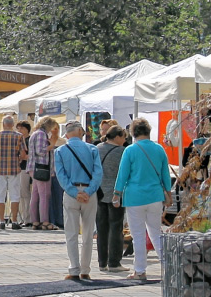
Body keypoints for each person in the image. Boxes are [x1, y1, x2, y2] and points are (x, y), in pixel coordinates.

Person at [117, 118, 172, 282]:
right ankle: (169, 267)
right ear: (149, 132)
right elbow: (165, 175)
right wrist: (168, 194)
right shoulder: (159, 149)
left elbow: (123, 174)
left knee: (138, 235)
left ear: (133, 133)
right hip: (155, 196)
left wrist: (116, 193)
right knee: (156, 233)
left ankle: (140, 270)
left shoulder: (130, 150)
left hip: (134, 197)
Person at [55, 121, 102, 281]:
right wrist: (88, 191)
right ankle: (85, 269)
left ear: (67, 134)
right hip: (90, 192)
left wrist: (74, 192)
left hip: (71, 193)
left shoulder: (60, 151)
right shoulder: (93, 149)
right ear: (81, 131)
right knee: (88, 233)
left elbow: (61, 176)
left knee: (71, 233)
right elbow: (98, 173)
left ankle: (74, 268)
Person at [94, 124, 130, 272]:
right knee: (116, 227)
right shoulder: (122, 152)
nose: (125, 140)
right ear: (117, 137)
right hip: (116, 193)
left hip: (99, 192)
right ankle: (114, 262)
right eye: (124, 137)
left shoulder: (97, 149)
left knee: (101, 228)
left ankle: (102, 262)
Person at [0, 115, 25, 230]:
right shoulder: (19, 136)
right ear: (13, 124)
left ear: (3, 124)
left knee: (0, 195)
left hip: (0, 169)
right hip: (14, 169)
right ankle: (14, 221)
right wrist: (18, 159)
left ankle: (1, 221)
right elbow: (23, 154)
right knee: (15, 195)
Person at [28, 117, 58, 230]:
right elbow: (40, 151)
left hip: (34, 168)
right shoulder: (41, 134)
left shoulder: (35, 133)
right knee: (44, 195)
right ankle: (44, 221)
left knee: (35, 195)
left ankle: (35, 221)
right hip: (41, 168)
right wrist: (52, 145)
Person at [16, 120, 34, 227]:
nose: (19, 130)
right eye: (18, 128)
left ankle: (28, 218)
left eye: (22, 128)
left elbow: (30, 155)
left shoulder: (29, 140)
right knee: (21, 194)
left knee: (25, 193)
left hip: (26, 168)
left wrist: (21, 157)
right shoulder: (19, 140)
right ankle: (23, 217)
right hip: (20, 168)